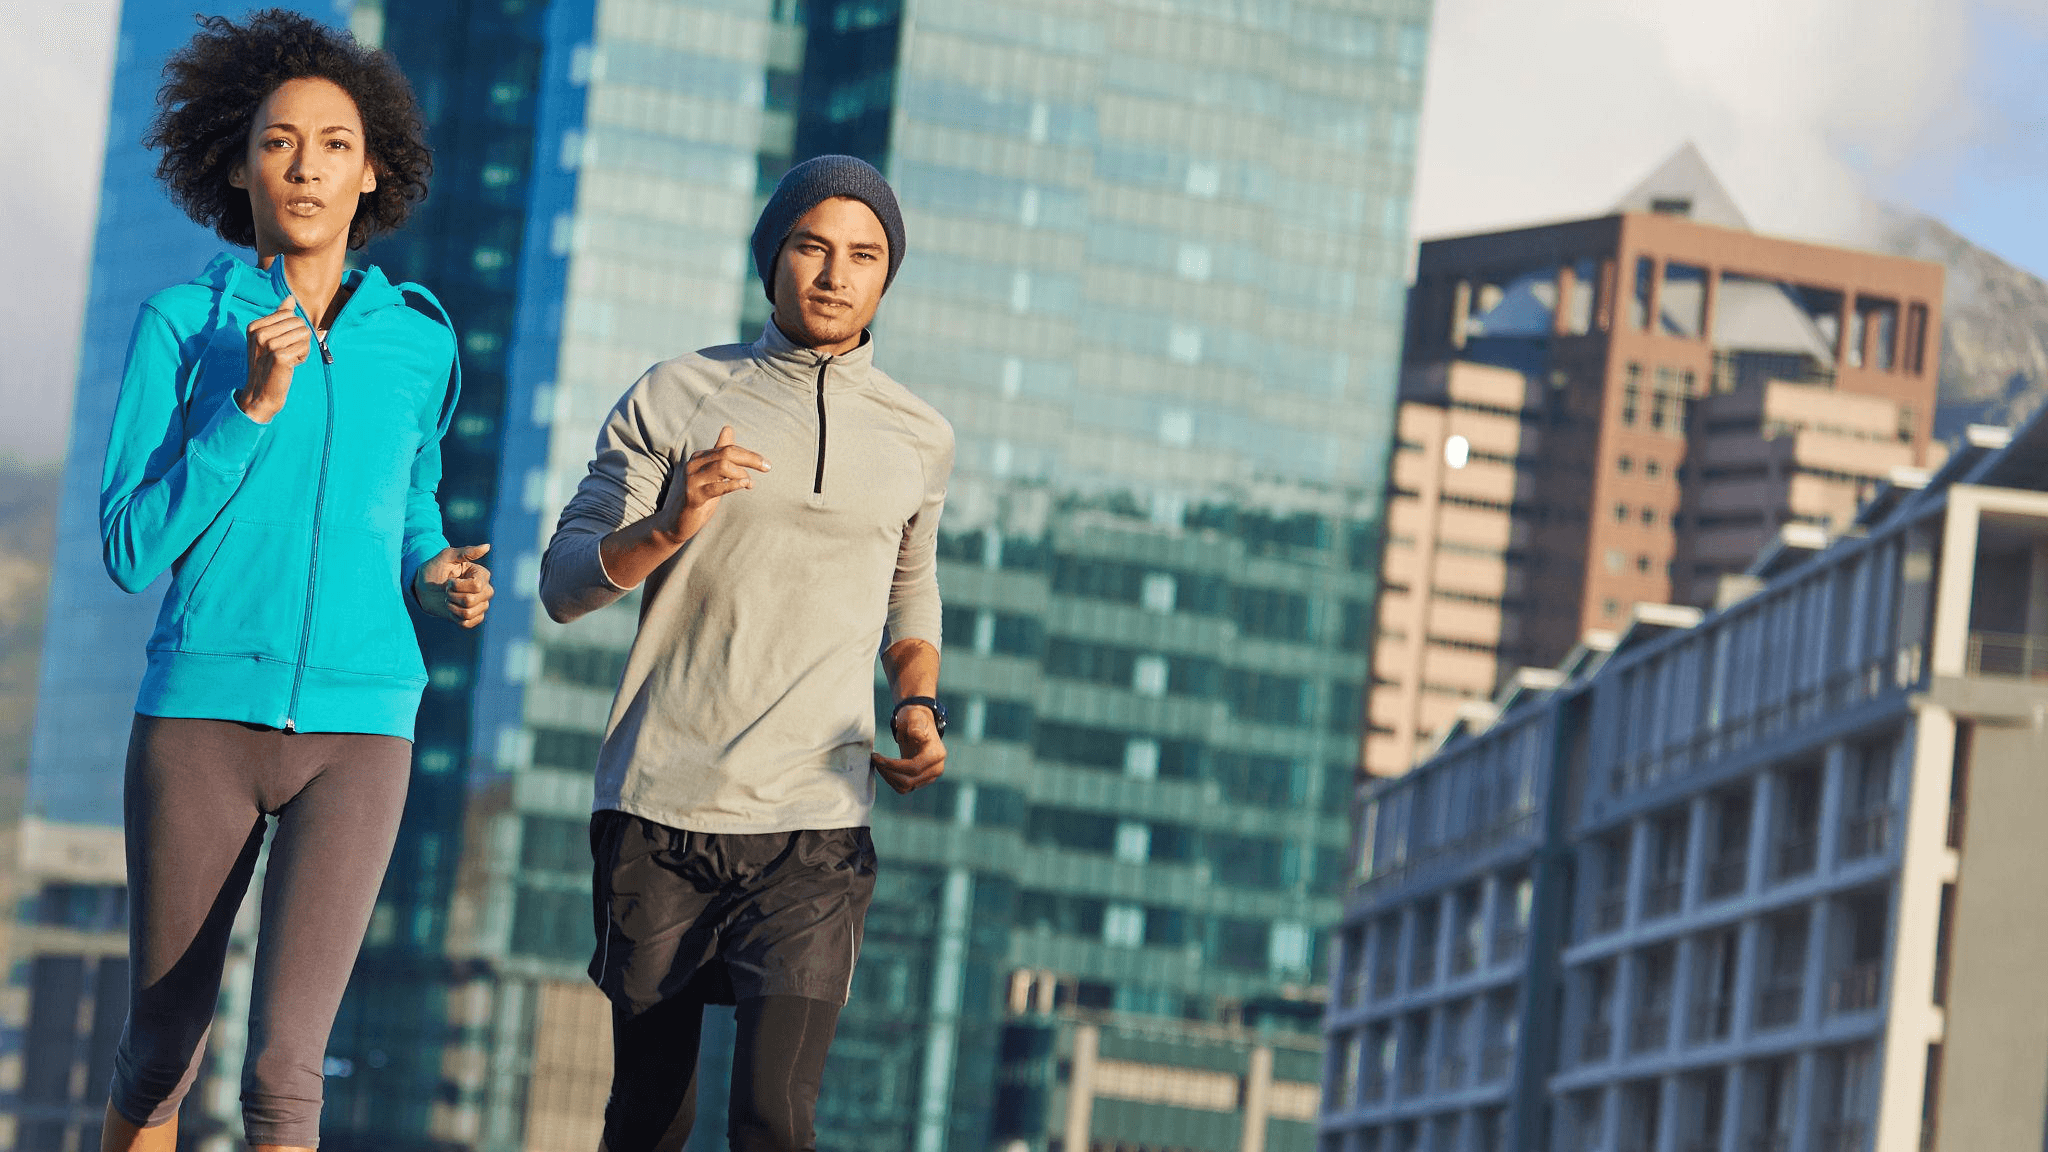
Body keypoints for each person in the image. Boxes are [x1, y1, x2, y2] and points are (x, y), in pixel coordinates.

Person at [96, 11, 492, 1151]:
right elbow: (129, 548)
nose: (306, 164)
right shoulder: (182, 326)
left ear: (373, 172)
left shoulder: (420, 339)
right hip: (201, 721)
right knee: (163, 1048)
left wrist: (438, 571)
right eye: (278, 142)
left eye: (333, 142)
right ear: (236, 163)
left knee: (285, 1074)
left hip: (362, 728)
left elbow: (409, 501)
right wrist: (249, 407)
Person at [539, 154, 954, 1152]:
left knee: (775, 1118)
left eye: (862, 254)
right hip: (660, 807)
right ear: (771, 259)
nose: (833, 272)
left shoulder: (918, 435)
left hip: (815, 817)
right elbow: (564, 586)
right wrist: (671, 522)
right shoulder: (676, 394)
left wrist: (916, 703)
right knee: (649, 1118)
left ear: (885, 277)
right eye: (810, 245)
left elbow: (909, 584)